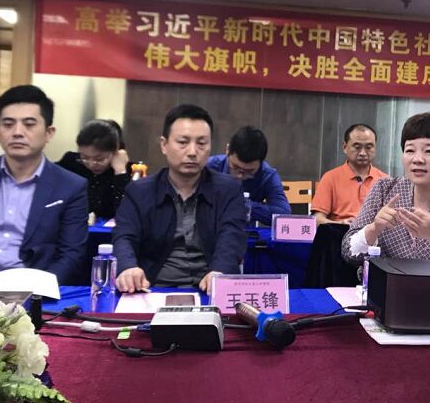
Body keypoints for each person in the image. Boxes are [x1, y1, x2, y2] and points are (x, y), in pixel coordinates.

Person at [0, 85, 88, 284]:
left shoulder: (71, 186)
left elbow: (71, 255)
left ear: (49, 133)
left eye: (29, 124)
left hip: (29, 288)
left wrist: (38, 290)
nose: (17, 132)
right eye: (8, 124)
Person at [341, 112, 430, 291]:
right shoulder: (384, 189)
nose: (417, 159)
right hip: (384, 293)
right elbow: (348, 253)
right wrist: (374, 228)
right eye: (410, 150)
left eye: (429, 151)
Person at [113, 104, 246, 293]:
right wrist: (128, 267)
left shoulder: (228, 189)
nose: (192, 152)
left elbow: (231, 236)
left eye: (201, 143)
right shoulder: (139, 191)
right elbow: (124, 236)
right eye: (183, 142)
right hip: (153, 289)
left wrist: (220, 270)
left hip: (209, 290)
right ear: (164, 145)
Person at [207, 126, 291, 226]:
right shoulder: (209, 167)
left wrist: (247, 206)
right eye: (235, 167)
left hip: (245, 232)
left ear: (260, 162)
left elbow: (284, 216)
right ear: (227, 150)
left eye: (249, 171)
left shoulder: (267, 176)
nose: (240, 176)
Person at [311, 124, 387, 226]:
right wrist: (340, 224)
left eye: (369, 147)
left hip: (375, 233)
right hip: (340, 232)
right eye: (357, 147)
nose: (363, 153)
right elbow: (317, 219)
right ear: (344, 147)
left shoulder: (385, 180)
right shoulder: (330, 178)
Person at [57, 119, 132, 219]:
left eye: (99, 159)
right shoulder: (71, 162)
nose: (91, 164)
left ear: (115, 151)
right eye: (85, 157)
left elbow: (128, 214)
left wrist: (120, 172)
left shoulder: (130, 171)